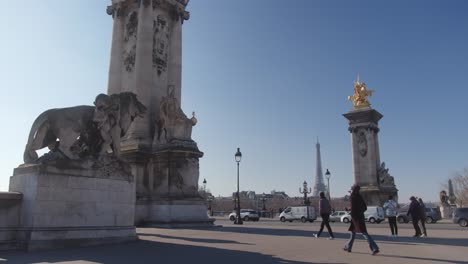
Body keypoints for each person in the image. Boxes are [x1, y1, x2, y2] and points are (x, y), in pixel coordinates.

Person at [343, 185, 380, 255]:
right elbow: (364, 207)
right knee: (353, 232)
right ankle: (348, 247)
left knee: (364, 233)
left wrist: (351, 213)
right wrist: (352, 210)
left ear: (353, 190)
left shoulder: (352, 197)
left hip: (355, 218)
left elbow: (353, 208)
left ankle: (375, 248)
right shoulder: (359, 197)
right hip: (361, 216)